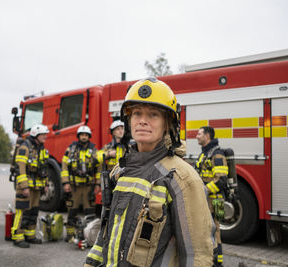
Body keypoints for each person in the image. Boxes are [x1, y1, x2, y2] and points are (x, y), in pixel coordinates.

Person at [85, 78, 214, 267]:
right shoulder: (120, 171)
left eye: (153, 114)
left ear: (167, 124)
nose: (143, 121)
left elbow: (197, 256)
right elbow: (105, 234)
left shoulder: (182, 177)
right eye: (137, 113)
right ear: (129, 121)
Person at [11, 124, 50, 248]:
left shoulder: (41, 148)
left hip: (37, 187)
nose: (45, 137)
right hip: (26, 187)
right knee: (22, 212)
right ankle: (18, 237)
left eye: (45, 135)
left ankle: (30, 235)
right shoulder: (25, 146)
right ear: (35, 135)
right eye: (43, 135)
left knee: (33, 212)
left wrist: (46, 184)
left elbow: (45, 168)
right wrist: (24, 186)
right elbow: (20, 167)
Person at [195, 126, 229, 267]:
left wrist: (204, 190)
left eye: (199, 133)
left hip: (216, 201)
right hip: (208, 200)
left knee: (215, 230)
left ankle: (217, 262)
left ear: (207, 135)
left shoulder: (217, 154)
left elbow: (221, 180)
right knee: (210, 230)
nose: (197, 136)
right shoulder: (204, 154)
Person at [61, 125, 100, 242]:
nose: (84, 137)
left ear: (89, 137)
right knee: (72, 210)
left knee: (90, 211)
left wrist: (98, 184)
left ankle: (88, 235)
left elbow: (98, 168)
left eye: (86, 135)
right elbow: (64, 166)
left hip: (88, 187)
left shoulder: (94, 150)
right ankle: (70, 235)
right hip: (74, 187)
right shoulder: (71, 149)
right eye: (82, 135)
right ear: (79, 136)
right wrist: (65, 183)